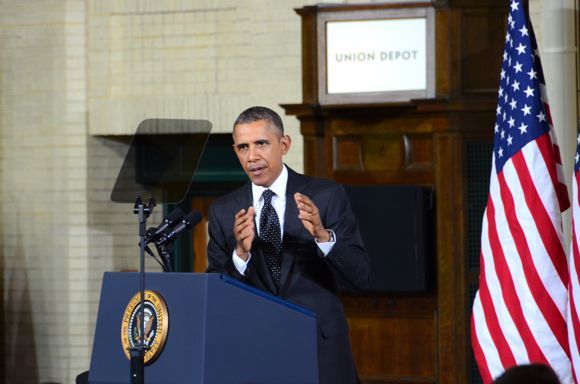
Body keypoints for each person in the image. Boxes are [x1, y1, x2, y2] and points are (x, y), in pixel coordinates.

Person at [206, 106, 369, 384]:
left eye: (261, 144)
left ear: (284, 144)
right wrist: (240, 255)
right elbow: (215, 296)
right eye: (243, 147)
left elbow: (360, 276)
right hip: (257, 353)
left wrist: (322, 236)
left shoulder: (325, 196)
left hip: (320, 349)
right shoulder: (224, 211)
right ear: (236, 151)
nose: (252, 156)